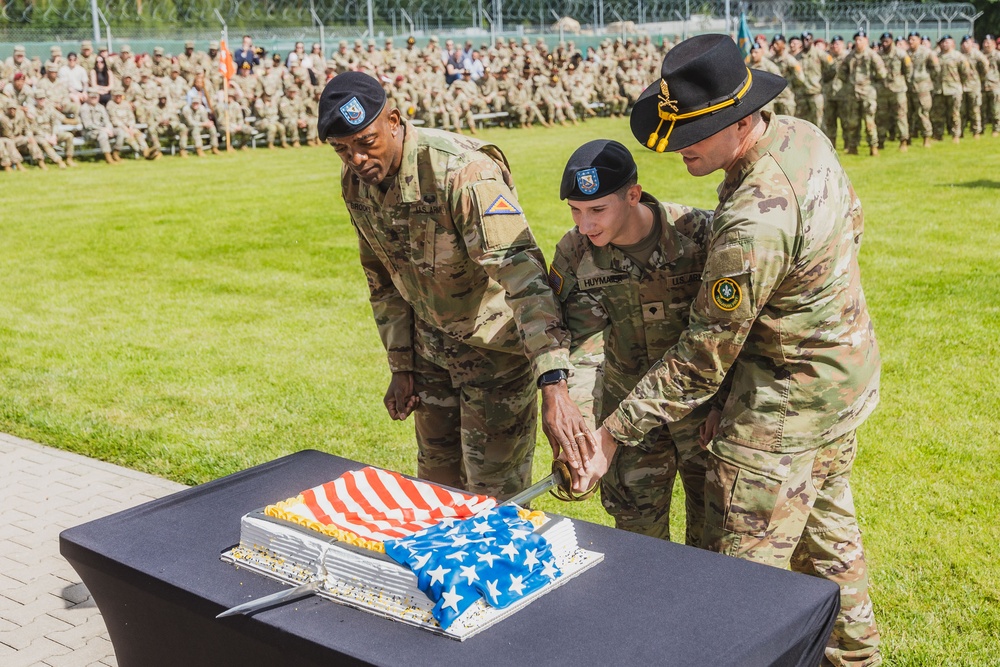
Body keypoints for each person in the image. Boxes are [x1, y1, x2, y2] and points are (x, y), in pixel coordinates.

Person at [570, 34, 882, 666]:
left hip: (780, 410)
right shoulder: (800, 136)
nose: (679, 145)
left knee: (741, 589)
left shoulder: (750, 224)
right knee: (828, 543)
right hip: (842, 382)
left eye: (696, 132)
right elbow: (853, 220)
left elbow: (701, 358)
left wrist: (609, 436)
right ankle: (857, 658)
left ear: (741, 121)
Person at [317, 71, 586, 500]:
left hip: (495, 355)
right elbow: (383, 278)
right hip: (432, 354)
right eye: (341, 150)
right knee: (437, 492)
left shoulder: (462, 172)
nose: (356, 159)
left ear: (394, 120)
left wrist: (553, 381)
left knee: (494, 500)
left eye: (366, 143)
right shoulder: (357, 185)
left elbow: (521, 273)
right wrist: (402, 365)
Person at [549, 139, 713, 544]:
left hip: (705, 415)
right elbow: (583, 348)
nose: (585, 225)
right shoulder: (575, 252)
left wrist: (729, 407)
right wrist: (585, 437)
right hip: (626, 418)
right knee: (637, 544)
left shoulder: (700, 233)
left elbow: (731, 337)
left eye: (597, 210)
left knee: (716, 547)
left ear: (633, 195)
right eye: (576, 210)